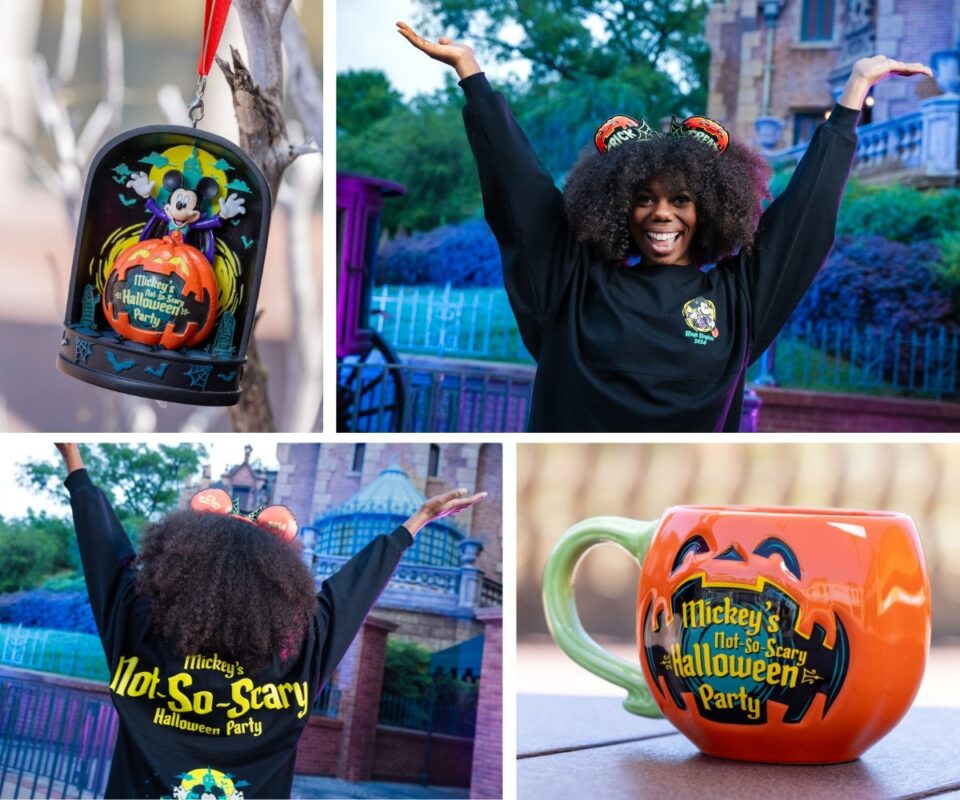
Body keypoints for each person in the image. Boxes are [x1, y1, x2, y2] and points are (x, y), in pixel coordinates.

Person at [397, 20, 932, 432]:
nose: (662, 213)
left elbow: (807, 215)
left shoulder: (739, 293)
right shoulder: (569, 282)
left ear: (710, 208)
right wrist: (472, 76)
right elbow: (520, 192)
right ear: (615, 205)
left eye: (682, 199)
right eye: (644, 199)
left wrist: (853, 96)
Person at [55, 443, 486, 799]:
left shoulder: (139, 629)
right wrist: (416, 522)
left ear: (180, 565)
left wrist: (74, 459)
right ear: (279, 582)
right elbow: (351, 593)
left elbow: (106, 553)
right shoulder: (299, 652)